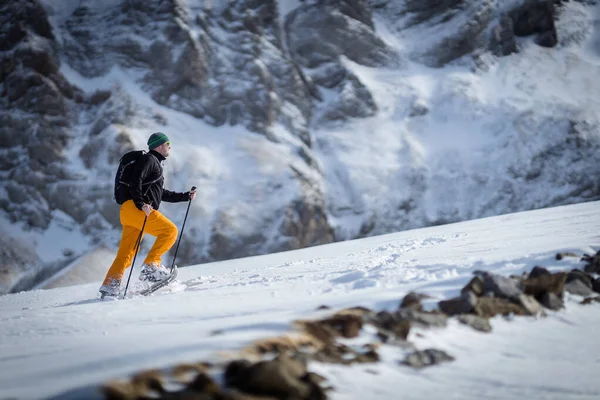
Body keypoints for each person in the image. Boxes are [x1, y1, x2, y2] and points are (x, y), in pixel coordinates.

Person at [100, 132, 197, 298]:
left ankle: (110, 285)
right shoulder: (150, 160)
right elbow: (135, 180)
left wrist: (185, 196)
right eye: (168, 144)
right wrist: (141, 203)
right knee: (170, 231)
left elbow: (161, 193)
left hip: (128, 211)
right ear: (159, 145)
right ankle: (151, 267)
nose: (170, 147)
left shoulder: (153, 164)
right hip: (137, 209)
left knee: (127, 253)